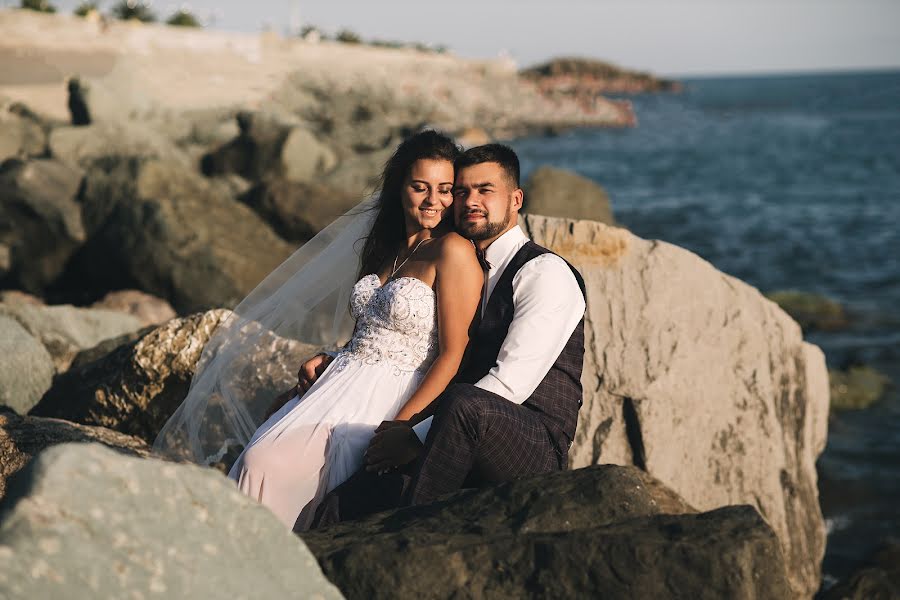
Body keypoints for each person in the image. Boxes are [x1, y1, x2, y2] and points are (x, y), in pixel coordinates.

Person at [154, 130, 483, 532]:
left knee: (267, 464)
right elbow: (370, 331)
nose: (434, 200)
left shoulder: (452, 251)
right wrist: (330, 356)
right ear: (400, 187)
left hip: (387, 397)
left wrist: (403, 426)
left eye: (446, 190)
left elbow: (454, 353)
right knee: (260, 453)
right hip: (341, 379)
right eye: (420, 187)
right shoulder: (390, 249)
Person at [310, 144, 587, 526]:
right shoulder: (465, 264)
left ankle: (409, 534)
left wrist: (413, 435)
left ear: (515, 199)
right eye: (462, 192)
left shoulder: (544, 273)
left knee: (463, 403)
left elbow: (511, 386)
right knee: (343, 504)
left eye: (485, 190)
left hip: (531, 442)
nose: (471, 201)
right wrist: (333, 359)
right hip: (457, 430)